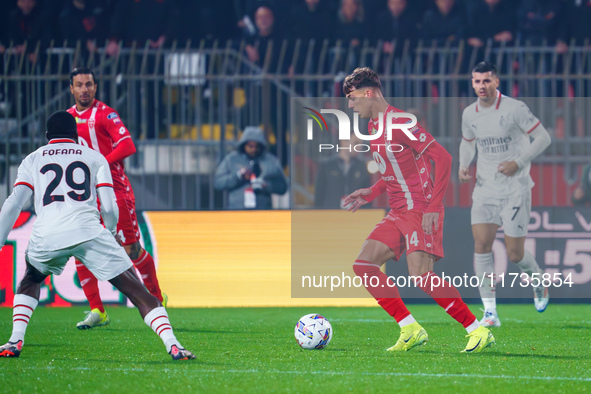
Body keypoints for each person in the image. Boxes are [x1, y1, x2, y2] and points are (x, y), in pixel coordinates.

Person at [0, 111, 195, 360]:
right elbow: (109, 205)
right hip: (89, 232)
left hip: (47, 234)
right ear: (75, 134)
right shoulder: (94, 157)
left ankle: (14, 341)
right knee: (137, 291)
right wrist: (111, 232)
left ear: (47, 135)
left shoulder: (32, 159)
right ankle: (173, 345)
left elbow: (14, 202)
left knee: (30, 279)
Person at [342, 67, 494, 353]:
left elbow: (443, 158)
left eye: (352, 98)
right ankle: (410, 328)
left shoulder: (399, 122)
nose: (350, 105)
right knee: (363, 265)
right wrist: (372, 191)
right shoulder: (375, 127)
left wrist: (433, 207)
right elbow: (397, 170)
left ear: (368, 93)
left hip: (420, 208)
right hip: (397, 211)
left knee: (422, 276)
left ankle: (477, 330)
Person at [67, 67, 166, 329]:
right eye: (79, 85)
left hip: (115, 191)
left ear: (95, 87)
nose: (84, 89)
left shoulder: (105, 114)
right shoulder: (66, 119)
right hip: (85, 196)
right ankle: (97, 310)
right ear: (72, 89)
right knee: (80, 248)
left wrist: (100, 163)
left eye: (89, 84)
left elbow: (128, 145)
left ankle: (156, 299)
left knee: (131, 249)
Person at [459, 61, 552, 327]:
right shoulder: (469, 114)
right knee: (481, 246)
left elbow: (544, 138)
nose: (481, 86)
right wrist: (463, 165)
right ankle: (490, 312)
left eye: (486, 80)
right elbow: (468, 142)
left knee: (514, 253)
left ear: (496, 82)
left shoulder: (515, 109)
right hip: (485, 189)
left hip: (515, 189)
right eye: (477, 81)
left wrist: (519, 162)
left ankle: (539, 283)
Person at [214, 126, 287, 210]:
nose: (254, 149)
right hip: (237, 213)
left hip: (263, 214)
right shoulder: (231, 159)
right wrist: (238, 176)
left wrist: (266, 185)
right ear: (244, 145)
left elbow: (283, 187)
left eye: (257, 146)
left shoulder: (270, 160)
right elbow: (218, 182)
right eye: (250, 146)